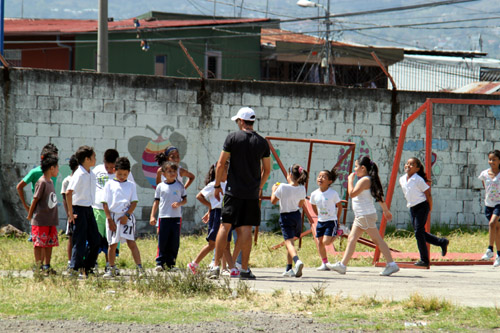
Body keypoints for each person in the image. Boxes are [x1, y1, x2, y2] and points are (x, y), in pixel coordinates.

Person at [210, 107, 271, 280]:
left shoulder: (232, 138)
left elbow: (221, 164)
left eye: (238, 120)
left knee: (225, 225)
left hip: (233, 191)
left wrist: (216, 185)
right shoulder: (262, 142)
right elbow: (266, 170)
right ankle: (244, 268)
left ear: (242, 121)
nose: (237, 123)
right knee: (246, 230)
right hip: (251, 194)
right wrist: (259, 187)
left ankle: (215, 266)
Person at [330, 156, 400, 276]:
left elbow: (352, 194)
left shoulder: (364, 180)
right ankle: (342, 265)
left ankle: (392, 264)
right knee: (352, 238)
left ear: (363, 168)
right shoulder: (368, 180)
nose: (354, 169)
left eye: (356, 167)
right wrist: (386, 211)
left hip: (365, 215)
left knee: (376, 240)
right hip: (363, 215)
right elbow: (379, 196)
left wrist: (350, 180)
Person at [187, 161, 236, 276]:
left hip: (227, 214)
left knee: (227, 244)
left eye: (227, 169)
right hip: (217, 214)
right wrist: (210, 206)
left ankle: (232, 269)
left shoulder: (229, 184)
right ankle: (194, 264)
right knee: (212, 244)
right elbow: (199, 196)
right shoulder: (213, 185)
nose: (226, 171)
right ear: (216, 171)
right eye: (223, 169)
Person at [400, 157, 449, 267]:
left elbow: (428, 194)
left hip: (422, 206)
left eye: (412, 164)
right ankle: (441, 242)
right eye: (407, 163)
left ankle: (424, 260)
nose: (408, 166)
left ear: (417, 169)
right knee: (419, 232)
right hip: (412, 207)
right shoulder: (402, 179)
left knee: (419, 232)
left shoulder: (418, 179)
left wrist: (429, 208)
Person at [93, 149, 135, 271]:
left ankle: (109, 264)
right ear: (103, 162)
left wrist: (126, 213)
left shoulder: (124, 174)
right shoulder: (97, 170)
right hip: (97, 209)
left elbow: (131, 191)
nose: (109, 170)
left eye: (112, 168)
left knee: (111, 240)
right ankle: (93, 262)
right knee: (95, 238)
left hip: (116, 213)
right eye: (107, 167)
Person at [101, 157, 143, 278]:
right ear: (114, 170)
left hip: (126, 217)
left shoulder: (131, 185)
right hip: (113, 217)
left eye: (125, 174)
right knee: (112, 244)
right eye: (120, 174)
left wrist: (127, 215)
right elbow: (105, 203)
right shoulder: (109, 184)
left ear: (129, 173)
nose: (122, 176)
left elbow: (134, 202)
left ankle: (139, 268)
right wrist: (109, 219)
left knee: (131, 243)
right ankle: (111, 268)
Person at [66, 146, 100, 277]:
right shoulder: (79, 174)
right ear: (87, 159)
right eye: (93, 157)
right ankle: (74, 268)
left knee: (95, 240)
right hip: (78, 209)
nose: (95, 159)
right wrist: (70, 213)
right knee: (79, 241)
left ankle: (88, 268)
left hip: (89, 209)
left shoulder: (90, 173)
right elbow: (69, 193)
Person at [271, 164, 308, 278]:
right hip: (296, 216)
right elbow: (301, 204)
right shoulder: (302, 188)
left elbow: (273, 201)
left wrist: (273, 190)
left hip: (286, 217)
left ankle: (297, 261)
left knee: (288, 242)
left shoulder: (282, 187)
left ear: (290, 175)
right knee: (291, 242)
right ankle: (289, 268)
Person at [149, 161, 187, 271]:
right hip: (163, 217)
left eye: (174, 171)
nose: (172, 173)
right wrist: (152, 216)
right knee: (163, 240)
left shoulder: (179, 186)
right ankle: (160, 263)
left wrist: (179, 204)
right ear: (163, 173)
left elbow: (185, 200)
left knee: (174, 241)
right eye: (169, 171)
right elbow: (156, 202)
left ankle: (171, 264)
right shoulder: (160, 186)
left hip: (176, 217)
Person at [26, 154, 59, 276]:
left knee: (49, 243)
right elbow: (35, 199)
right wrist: (30, 215)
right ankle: (38, 266)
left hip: (50, 220)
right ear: (51, 168)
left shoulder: (50, 182)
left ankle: (47, 265)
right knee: (39, 244)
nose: (58, 170)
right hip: (40, 220)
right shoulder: (42, 182)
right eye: (57, 167)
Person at [309, 168, 343, 271]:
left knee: (326, 242)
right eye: (319, 176)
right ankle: (324, 263)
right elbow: (313, 205)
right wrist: (318, 215)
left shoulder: (333, 193)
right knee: (320, 242)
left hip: (331, 220)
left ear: (329, 182)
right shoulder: (314, 194)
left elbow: (339, 206)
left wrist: (337, 219)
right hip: (321, 221)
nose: (320, 178)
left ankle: (339, 233)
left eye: (324, 177)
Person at [17, 143, 59, 213]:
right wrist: (26, 206)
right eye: (52, 159)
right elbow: (19, 187)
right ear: (42, 158)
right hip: (37, 210)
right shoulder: (35, 172)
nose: (54, 162)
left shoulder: (54, 172)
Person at [478, 150, 500, 267]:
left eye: (494, 160)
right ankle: (499, 255)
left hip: (499, 204)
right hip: (489, 204)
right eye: (490, 159)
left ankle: (489, 249)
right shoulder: (484, 174)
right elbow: (485, 186)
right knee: (496, 229)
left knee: (492, 223)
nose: (491, 162)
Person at [61, 155, 79, 269]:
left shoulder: (83, 179)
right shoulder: (67, 181)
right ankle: (69, 261)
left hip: (82, 212)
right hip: (73, 214)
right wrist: (69, 214)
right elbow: (64, 199)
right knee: (71, 238)